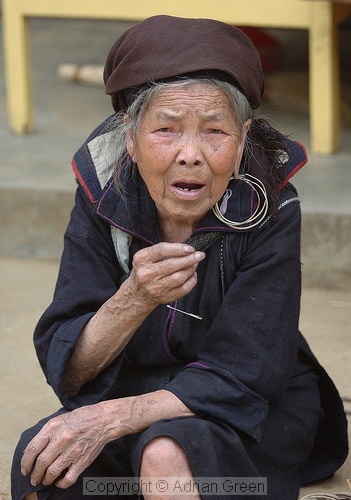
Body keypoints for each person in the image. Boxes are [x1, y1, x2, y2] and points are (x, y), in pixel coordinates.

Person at [12, 15, 348, 500]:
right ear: (130, 136)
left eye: (215, 132)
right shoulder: (103, 194)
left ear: (242, 141)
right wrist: (133, 298)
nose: (190, 154)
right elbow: (72, 370)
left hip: (247, 407)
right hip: (136, 387)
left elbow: (247, 373)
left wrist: (112, 418)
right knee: (42, 463)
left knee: (165, 454)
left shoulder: (271, 206)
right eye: (166, 130)